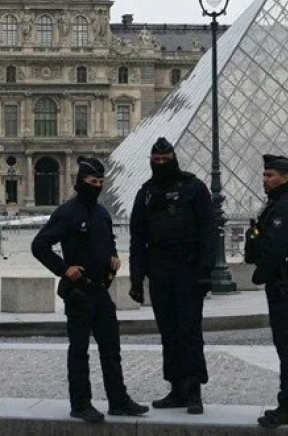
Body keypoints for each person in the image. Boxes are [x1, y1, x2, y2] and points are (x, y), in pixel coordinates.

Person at [31, 157, 148, 423]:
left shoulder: (103, 213)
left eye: (100, 182)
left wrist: (114, 258)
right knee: (79, 350)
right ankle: (80, 403)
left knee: (111, 349)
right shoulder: (67, 212)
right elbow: (39, 245)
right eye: (92, 182)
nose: (97, 186)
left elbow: (108, 242)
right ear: (80, 182)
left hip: (100, 291)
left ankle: (118, 400)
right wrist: (63, 269)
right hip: (79, 292)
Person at [128, 137, 216, 415]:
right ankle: (176, 388)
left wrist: (205, 271)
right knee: (168, 331)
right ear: (152, 162)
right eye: (157, 161)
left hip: (188, 269)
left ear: (174, 159)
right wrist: (136, 279)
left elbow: (209, 232)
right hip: (160, 269)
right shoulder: (145, 193)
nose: (162, 164)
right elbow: (137, 238)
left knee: (189, 330)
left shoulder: (194, 187)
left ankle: (193, 390)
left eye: (166, 160)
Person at [245, 155, 288, 428]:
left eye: (270, 175)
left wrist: (260, 274)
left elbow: (275, 248)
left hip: (283, 280)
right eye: (264, 175)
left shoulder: (284, 207)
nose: (265, 179)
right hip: (286, 278)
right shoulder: (282, 203)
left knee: (287, 344)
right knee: (286, 343)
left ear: (285, 177)